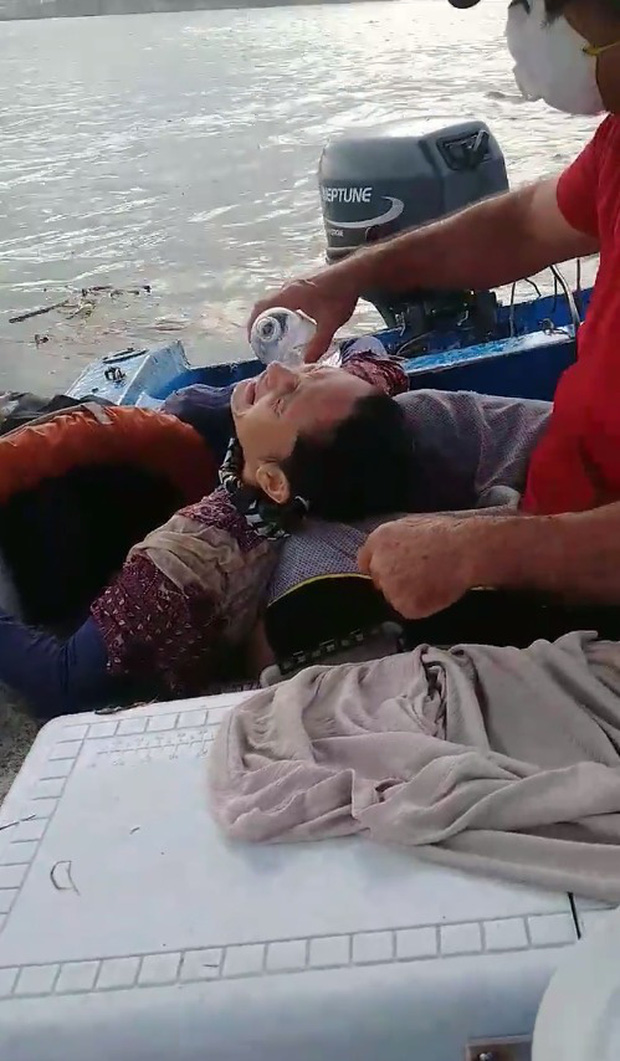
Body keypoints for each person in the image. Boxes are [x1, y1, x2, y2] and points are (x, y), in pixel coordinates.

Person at [249, 0, 620, 625]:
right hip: (568, 481)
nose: (522, 20)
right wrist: (345, 277)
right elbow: (524, 226)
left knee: (296, 669)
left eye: (533, 1)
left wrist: (486, 551)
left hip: (594, 601)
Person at [0, 346, 418, 718]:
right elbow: (371, 372)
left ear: (274, 482)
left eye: (281, 402)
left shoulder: (194, 562)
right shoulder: (312, 450)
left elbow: (65, 684)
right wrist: (357, 364)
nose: (278, 371)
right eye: (312, 371)